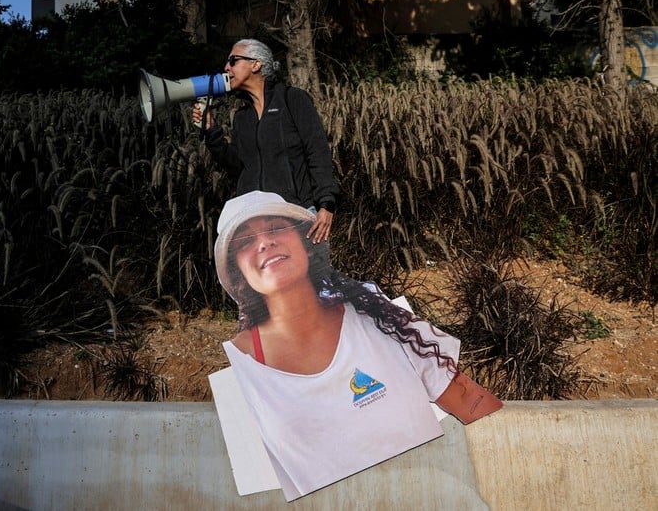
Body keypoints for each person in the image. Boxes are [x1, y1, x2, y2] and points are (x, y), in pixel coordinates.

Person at [214, 190, 503, 501]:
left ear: (305, 241)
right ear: (238, 270)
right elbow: (261, 494)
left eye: (275, 227)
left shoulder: (376, 314)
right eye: (245, 241)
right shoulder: (240, 368)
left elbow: (465, 400)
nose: (264, 242)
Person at [194, 39, 340, 244]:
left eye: (233, 60)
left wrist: (326, 204)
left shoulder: (293, 99)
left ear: (256, 64)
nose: (226, 67)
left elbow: (318, 152)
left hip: (296, 216)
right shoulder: (242, 116)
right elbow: (240, 167)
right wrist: (211, 132)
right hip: (255, 223)